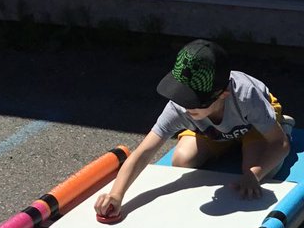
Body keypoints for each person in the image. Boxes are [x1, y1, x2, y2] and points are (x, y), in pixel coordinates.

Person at [93, 39, 290, 217]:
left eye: (194, 101)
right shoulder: (181, 107)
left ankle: (284, 125)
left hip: (251, 126)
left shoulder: (247, 98)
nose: (186, 106)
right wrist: (116, 194)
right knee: (181, 160)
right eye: (182, 97)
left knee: (255, 172)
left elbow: (279, 143)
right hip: (214, 131)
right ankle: (229, 143)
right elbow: (144, 152)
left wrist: (253, 175)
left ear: (223, 94)